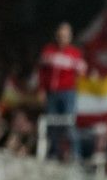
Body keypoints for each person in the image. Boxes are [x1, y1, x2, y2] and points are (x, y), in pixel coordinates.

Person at [37, 21, 86, 162]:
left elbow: (82, 73)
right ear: (56, 35)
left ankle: (76, 154)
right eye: (60, 35)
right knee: (52, 124)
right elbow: (42, 72)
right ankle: (53, 153)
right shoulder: (48, 51)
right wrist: (41, 89)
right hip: (51, 93)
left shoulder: (75, 54)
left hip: (67, 93)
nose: (62, 38)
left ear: (70, 37)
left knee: (69, 124)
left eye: (65, 36)